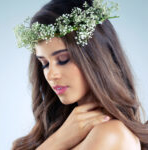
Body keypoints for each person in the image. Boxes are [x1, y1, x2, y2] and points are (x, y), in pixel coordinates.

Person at [12, 0, 148, 149]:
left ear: (96, 58)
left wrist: (58, 141)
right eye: (45, 63)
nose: (51, 75)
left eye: (63, 60)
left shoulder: (111, 135)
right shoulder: (64, 128)